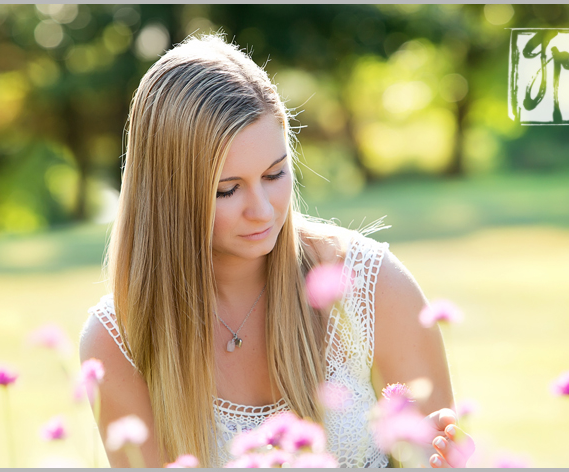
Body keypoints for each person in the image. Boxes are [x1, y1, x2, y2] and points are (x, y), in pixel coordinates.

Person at [79, 33, 474, 468]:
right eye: (227, 190)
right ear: (168, 195)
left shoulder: (371, 286)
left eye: (274, 174)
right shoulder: (119, 341)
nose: (263, 210)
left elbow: (434, 451)